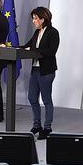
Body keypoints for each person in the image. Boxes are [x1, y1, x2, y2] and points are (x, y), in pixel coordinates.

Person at [22, 7, 60, 140]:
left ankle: (47, 127)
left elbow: (51, 51)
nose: (33, 21)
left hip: (46, 71)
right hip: (35, 69)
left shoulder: (53, 32)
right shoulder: (36, 32)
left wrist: (35, 50)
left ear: (43, 19)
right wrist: (11, 47)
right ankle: (36, 125)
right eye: (33, 18)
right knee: (32, 98)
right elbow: (27, 46)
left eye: (35, 18)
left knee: (46, 99)